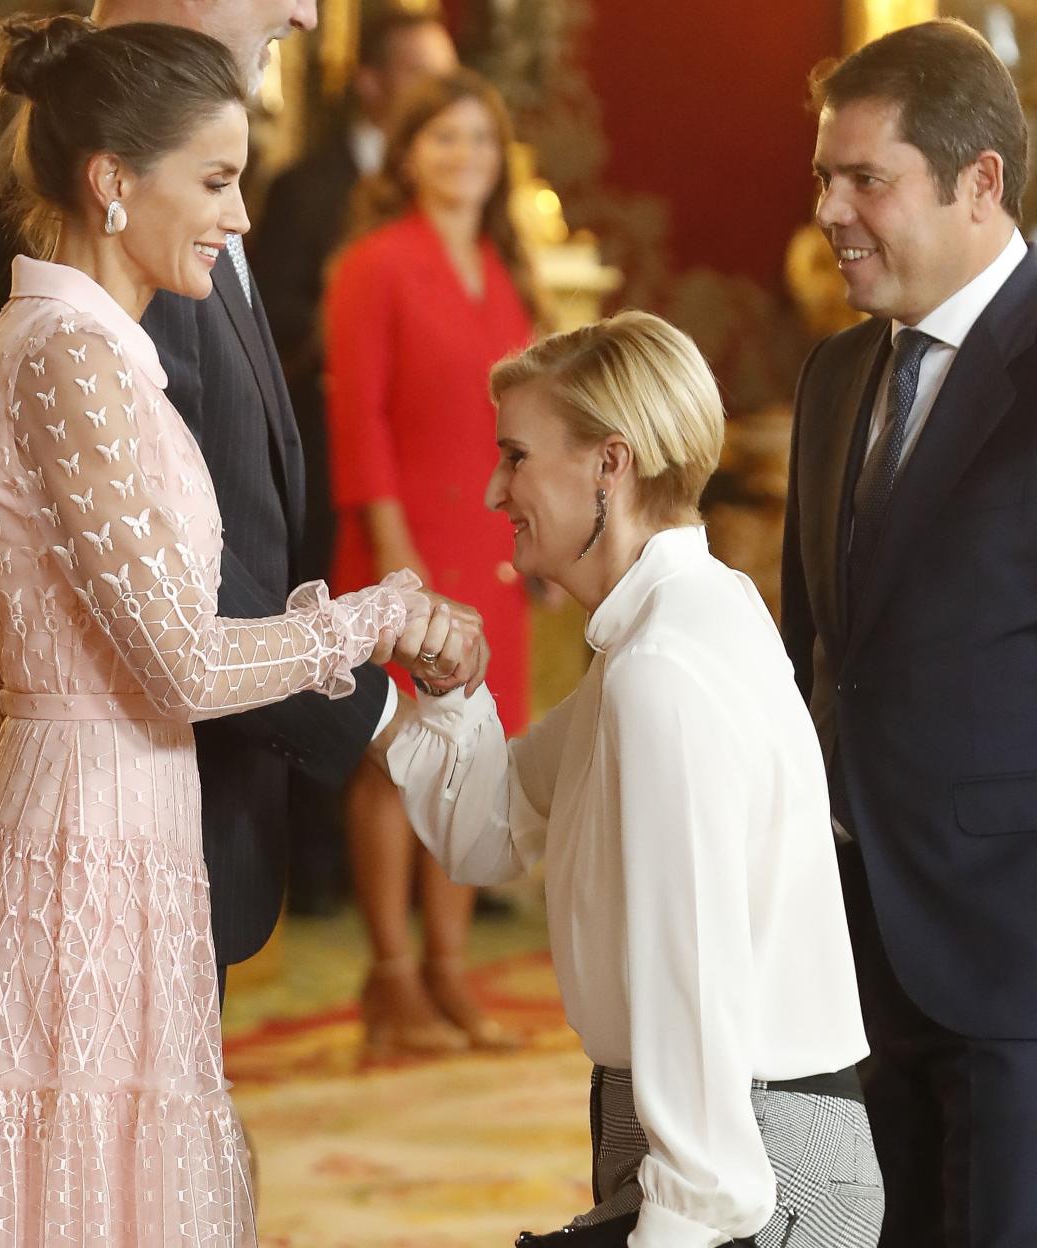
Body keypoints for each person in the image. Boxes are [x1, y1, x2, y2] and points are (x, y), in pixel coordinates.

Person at [0, 17, 443, 1244]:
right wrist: (379, 616)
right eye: (218, 181)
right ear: (112, 180)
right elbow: (180, 660)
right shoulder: (70, 357)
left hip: (127, 840)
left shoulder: (100, 353)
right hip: (76, 851)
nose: (241, 218)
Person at [376, 312, 881, 1247]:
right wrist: (437, 697)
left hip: (750, 1166)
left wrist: (679, 1219)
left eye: (516, 457)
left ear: (610, 463)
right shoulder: (667, 632)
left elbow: (693, 978)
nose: (495, 490)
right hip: (714, 1146)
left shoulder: (663, 670)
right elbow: (488, 831)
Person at [781, 19, 1037, 1247]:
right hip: (851, 948)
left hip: (1015, 952)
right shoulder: (837, 374)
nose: (831, 208)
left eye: (865, 179)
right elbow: (814, 656)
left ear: (979, 182)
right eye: (826, 177)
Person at [324, 67, 537, 1054]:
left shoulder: (501, 268)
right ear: (408, 153)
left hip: (490, 546)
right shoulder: (374, 263)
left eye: (481, 141)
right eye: (444, 138)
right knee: (393, 763)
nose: (465, 158)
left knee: (474, 759)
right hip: (400, 544)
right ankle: (392, 978)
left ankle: (450, 972)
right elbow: (356, 419)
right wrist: (398, 568)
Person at [249, 9, 457, 915]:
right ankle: (326, 863)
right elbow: (276, 325)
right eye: (420, 76)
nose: (435, 100)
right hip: (329, 450)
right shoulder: (308, 188)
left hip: (432, 461)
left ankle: (439, 883)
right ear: (371, 81)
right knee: (339, 656)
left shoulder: (457, 218)